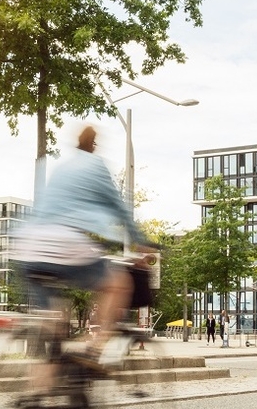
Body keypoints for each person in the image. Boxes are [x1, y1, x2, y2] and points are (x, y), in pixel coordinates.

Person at [12, 125, 155, 367]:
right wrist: (140, 242)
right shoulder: (96, 166)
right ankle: (94, 349)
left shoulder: (62, 168)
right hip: (64, 243)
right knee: (118, 283)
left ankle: (36, 398)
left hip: (29, 246)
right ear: (94, 145)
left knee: (52, 329)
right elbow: (119, 207)